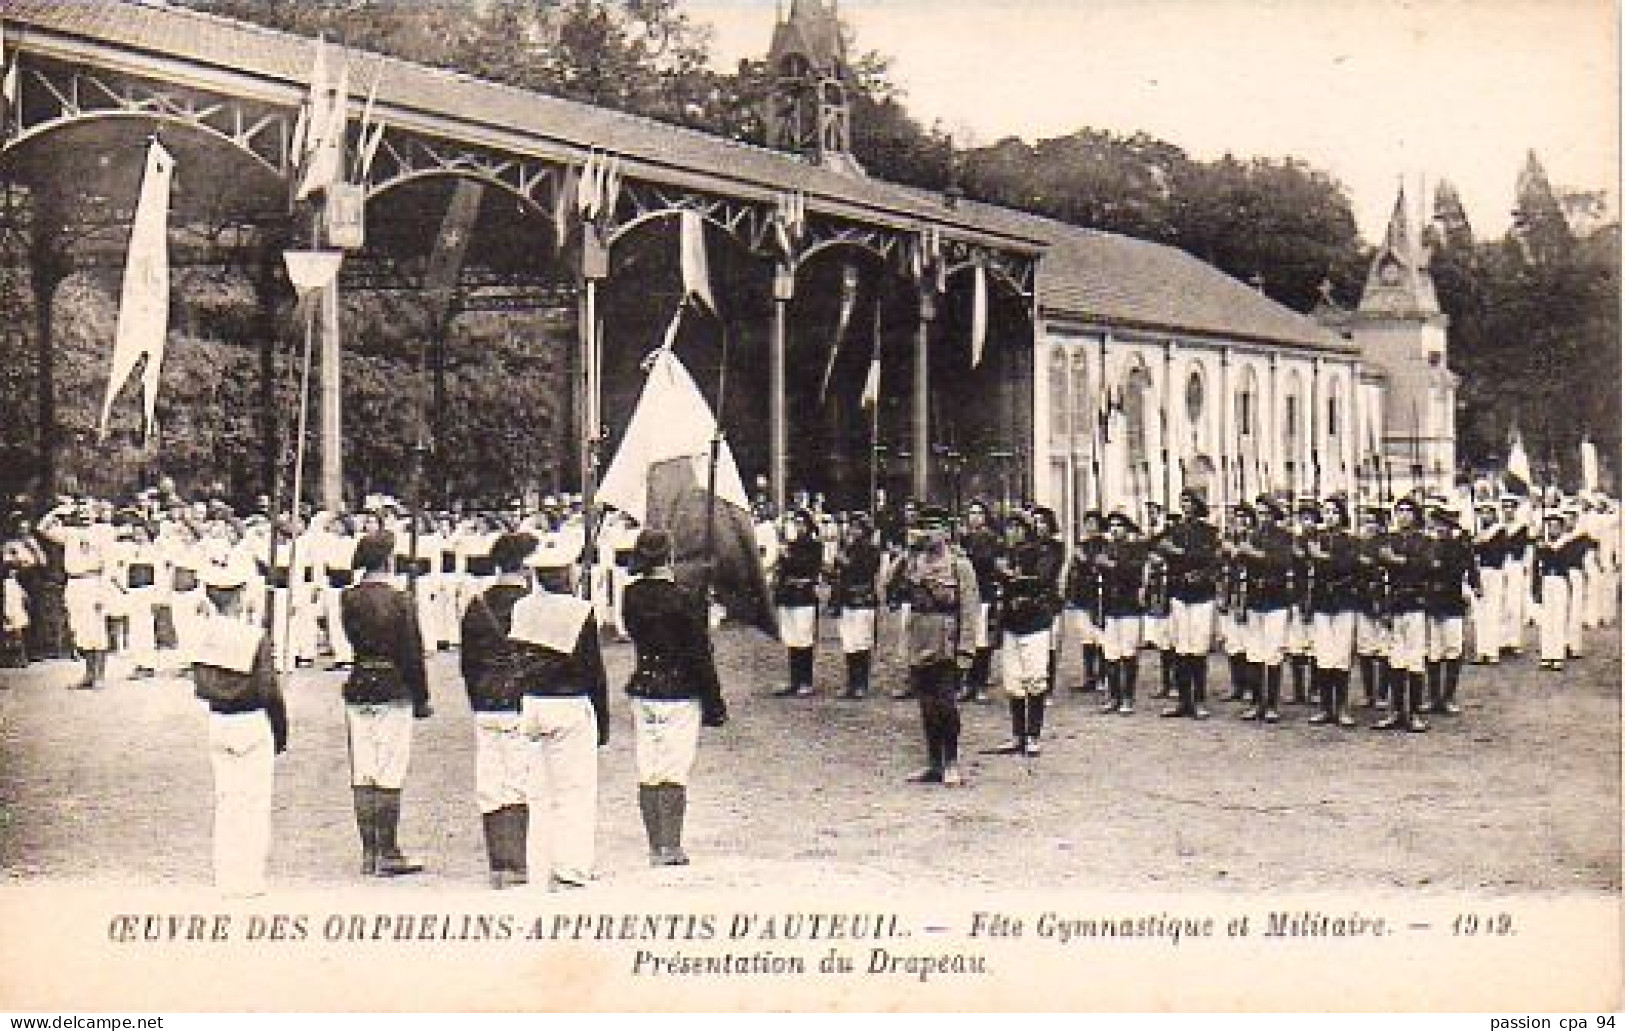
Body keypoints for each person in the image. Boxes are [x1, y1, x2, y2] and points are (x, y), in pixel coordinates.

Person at [620, 529, 727, 866]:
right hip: (680, 688)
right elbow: (699, 654)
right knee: (674, 768)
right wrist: (714, 701)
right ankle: (671, 845)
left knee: (649, 766)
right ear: (669, 556)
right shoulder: (685, 598)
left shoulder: (631, 595)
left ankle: (655, 845)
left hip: (645, 684)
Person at [340, 531, 432, 878]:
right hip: (393, 685)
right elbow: (411, 652)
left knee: (363, 770)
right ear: (388, 560)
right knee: (389, 770)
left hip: (361, 681)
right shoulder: (400, 600)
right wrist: (421, 697)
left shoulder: (349, 598)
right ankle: (388, 850)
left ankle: (369, 852)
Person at [191, 566, 287, 898]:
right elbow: (269, 690)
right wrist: (280, 730)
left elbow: (200, 687)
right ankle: (249, 877)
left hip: (218, 720)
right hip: (250, 719)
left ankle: (227, 877)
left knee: (227, 801)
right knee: (254, 803)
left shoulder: (203, 636)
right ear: (241, 595)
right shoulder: (252, 636)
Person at [887, 507, 979, 786]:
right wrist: (903, 557)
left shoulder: (959, 565)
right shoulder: (914, 561)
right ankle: (933, 763)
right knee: (926, 705)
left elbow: (969, 609)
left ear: (947, 533)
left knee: (946, 706)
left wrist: (966, 650)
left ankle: (951, 761)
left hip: (946, 641)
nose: (929, 533)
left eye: (935, 527)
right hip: (920, 638)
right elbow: (889, 589)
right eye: (925, 527)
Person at [983, 510, 1062, 756]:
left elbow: (1041, 579)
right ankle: (1018, 735)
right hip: (1012, 623)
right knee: (1013, 681)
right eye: (1009, 527)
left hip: (1035, 621)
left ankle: (1033, 736)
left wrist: (1010, 576)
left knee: (1035, 678)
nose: (1012, 532)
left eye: (1018, 527)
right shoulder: (1006, 554)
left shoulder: (1043, 551)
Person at [1156, 489, 1221, 720]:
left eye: (1189, 501)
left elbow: (1209, 559)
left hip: (1201, 594)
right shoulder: (1174, 529)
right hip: (1179, 593)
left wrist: (1179, 553)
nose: (1185, 505)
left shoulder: (1209, 531)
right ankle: (1183, 700)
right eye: (1182, 501)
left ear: (1197, 505)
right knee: (1180, 647)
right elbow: (1156, 547)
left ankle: (1200, 699)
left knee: (1199, 646)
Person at [1374, 497, 1434, 732]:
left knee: (1415, 658)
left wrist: (1398, 561)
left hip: (1416, 603)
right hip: (1395, 603)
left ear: (1416, 515)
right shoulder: (1388, 540)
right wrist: (1384, 606)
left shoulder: (1425, 541)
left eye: (1409, 511)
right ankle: (1397, 710)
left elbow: (1426, 566)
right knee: (1395, 658)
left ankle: (1415, 712)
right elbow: (1379, 570)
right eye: (1399, 511)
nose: (1403, 515)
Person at [1303, 495, 1361, 727]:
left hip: (1343, 600)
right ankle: (1326, 707)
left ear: (1342, 515)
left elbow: (1349, 565)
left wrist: (1322, 558)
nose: (1329, 516)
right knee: (1324, 654)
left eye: (1334, 512)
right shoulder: (1314, 538)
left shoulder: (1350, 540)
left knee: (1341, 654)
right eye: (1326, 512)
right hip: (1321, 601)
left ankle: (1342, 706)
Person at [1424, 500, 1478, 716]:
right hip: (1431, 602)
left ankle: (1448, 697)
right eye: (1436, 524)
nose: (1439, 529)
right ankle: (1434, 696)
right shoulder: (1428, 546)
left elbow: (1466, 569)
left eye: (1443, 524)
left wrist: (1473, 585)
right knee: (1433, 650)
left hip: (1452, 602)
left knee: (1453, 649)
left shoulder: (1460, 547)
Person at [1095, 510, 1148, 715]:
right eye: (1112, 526)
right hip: (1110, 606)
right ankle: (1114, 696)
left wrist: (1112, 565)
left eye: (1119, 526)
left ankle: (1128, 697)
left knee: (1128, 653)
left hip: (1129, 607)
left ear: (1127, 529)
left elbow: (1134, 574)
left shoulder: (1136, 549)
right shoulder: (1106, 549)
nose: (1115, 530)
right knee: (1111, 653)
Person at [828, 513, 881, 699]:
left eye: (858, 527)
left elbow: (867, 570)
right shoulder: (848, 548)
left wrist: (846, 563)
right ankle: (851, 682)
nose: (854, 530)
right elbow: (838, 573)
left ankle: (862, 683)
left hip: (863, 600)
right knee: (849, 642)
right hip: (847, 600)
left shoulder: (872, 550)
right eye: (852, 527)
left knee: (862, 642)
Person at [772, 508, 823, 698]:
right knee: (792, 638)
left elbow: (808, 567)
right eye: (796, 523)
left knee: (804, 638)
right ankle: (794, 680)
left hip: (805, 595)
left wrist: (789, 559)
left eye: (802, 523)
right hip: (789, 595)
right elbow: (783, 571)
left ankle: (806, 681)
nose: (799, 527)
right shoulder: (790, 545)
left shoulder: (814, 545)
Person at [957, 499, 1002, 704]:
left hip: (984, 593)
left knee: (982, 641)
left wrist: (968, 556)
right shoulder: (964, 538)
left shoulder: (989, 538)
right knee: (968, 639)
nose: (975, 517)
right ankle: (968, 683)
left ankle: (980, 683)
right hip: (967, 596)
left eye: (979, 513)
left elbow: (986, 563)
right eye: (972, 513)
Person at [1533, 509, 1574, 672]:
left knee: (1558, 617)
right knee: (1547, 618)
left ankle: (1557, 655)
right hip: (1547, 581)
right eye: (1550, 526)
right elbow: (1539, 564)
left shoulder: (1566, 543)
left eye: (1556, 526)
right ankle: (1546, 654)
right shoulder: (1543, 544)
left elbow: (1563, 558)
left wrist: (1548, 547)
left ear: (1562, 528)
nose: (1553, 530)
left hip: (1560, 580)